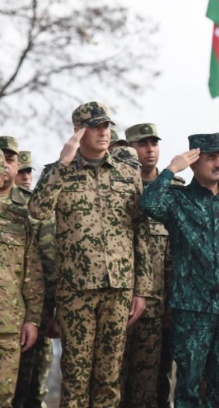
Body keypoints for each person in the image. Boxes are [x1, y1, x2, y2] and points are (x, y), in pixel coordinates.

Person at [28, 101, 151, 407]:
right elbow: (38, 210)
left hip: (119, 288)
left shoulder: (127, 173)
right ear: (78, 131)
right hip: (76, 291)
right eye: (95, 126)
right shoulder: (60, 173)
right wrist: (61, 163)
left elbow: (141, 231)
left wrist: (142, 289)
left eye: (106, 126)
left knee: (110, 377)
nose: (103, 132)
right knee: (75, 375)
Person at [139, 133, 219, 408]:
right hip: (191, 309)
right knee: (188, 389)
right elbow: (148, 203)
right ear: (193, 163)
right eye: (211, 158)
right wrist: (171, 169)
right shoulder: (177, 200)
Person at [119, 123, 184, 408]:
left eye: (153, 143)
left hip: (162, 305)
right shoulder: (118, 188)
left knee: (156, 383)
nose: (149, 150)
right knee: (117, 380)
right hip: (119, 302)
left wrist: (173, 302)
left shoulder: (174, 191)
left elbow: (179, 253)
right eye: (142, 144)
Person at [0, 152, 44, 407]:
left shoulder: (19, 218)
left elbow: (33, 274)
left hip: (8, 325)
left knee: (5, 398)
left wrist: (32, 319)